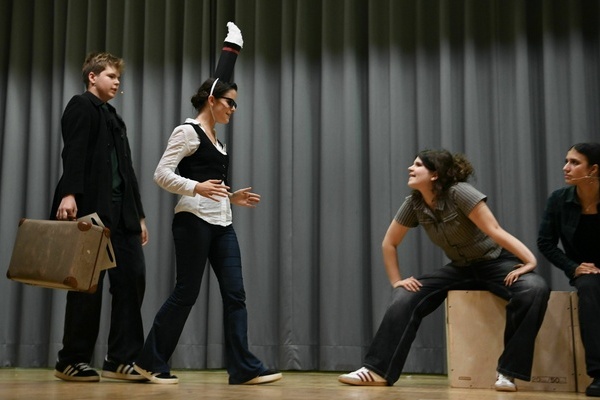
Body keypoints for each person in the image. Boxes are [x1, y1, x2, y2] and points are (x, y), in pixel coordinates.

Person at [133, 23, 282, 385]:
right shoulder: (187, 132)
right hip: (192, 222)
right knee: (186, 293)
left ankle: (243, 368)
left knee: (235, 294)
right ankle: (150, 360)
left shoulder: (217, 140)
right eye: (230, 102)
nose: (234, 109)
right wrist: (196, 188)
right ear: (212, 100)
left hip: (222, 224)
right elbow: (161, 174)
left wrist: (231, 196)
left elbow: (210, 185)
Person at [338, 149, 550, 392]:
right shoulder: (414, 203)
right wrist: (397, 281)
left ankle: (508, 373)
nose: (410, 168)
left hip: (495, 262)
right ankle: (377, 370)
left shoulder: (460, 192)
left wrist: (529, 261)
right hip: (460, 268)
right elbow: (389, 243)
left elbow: (494, 230)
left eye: (418, 165)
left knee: (534, 289)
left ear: (435, 174)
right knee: (405, 295)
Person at [51, 52, 148, 382]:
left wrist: (139, 216)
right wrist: (69, 194)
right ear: (92, 77)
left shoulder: (113, 116)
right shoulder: (80, 106)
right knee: (87, 286)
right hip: (92, 211)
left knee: (132, 280)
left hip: (123, 216)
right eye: (111, 76)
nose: (117, 82)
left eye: (119, 77)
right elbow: (73, 152)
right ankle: (71, 360)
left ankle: (120, 359)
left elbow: (127, 170)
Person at [537, 142, 600, 397]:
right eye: (566, 161)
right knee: (589, 289)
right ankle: (598, 374)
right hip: (586, 272)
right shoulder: (559, 200)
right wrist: (573, 268)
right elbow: (545, 242)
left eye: (574, 162)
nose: (566, 167)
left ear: (593, 169)